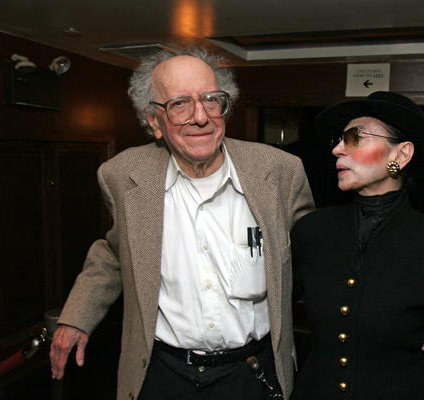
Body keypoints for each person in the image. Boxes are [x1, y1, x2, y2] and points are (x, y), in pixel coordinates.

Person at [49, 43, 314, 400]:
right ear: (154, 122)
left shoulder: (280, 172)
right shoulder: (124, 176)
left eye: (210, 99)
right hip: (161, 373)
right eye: (179, 104)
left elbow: (316, 254)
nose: (200, 116)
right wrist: (77, 315)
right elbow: (116, 250)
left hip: (250, 372)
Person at [290, 91, 424, 399]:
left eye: (354, 138)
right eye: (339, 139)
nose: (336, 149)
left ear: (400, 155)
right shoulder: (313, 231)